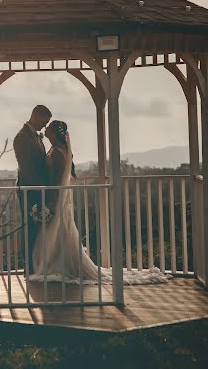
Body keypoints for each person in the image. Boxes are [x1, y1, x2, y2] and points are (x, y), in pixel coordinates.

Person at [29, 120, 171, 285]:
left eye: (49, 127)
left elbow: (55, 180)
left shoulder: (56, 153)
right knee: (60, 233)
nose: (46, 129)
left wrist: (49, 201)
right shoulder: (60, 150)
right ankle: (57, 264)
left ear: (54, 132)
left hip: (56, 199)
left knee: (55, 233)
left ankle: (56, 266)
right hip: (61, 199)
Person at [13, 105, 52, 274]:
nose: (44, 126)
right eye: (44, 122)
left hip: (37, 189)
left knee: (37, 227)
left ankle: (37, 263)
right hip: (30, 189)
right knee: (30, 227)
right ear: (35, 116)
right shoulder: (22, 137)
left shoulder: (35, 137)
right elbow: (27, 168)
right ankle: (28, 266)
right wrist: (41, 189)